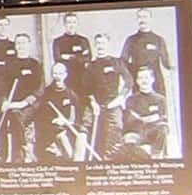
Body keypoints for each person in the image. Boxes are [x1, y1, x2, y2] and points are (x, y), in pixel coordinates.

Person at [0, 33, 43, 163]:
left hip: (31, 104)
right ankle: (11, 156)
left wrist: (25, 102)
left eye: (24, 43)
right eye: (18, 43)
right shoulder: (9, 64)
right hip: (12, 103)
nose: (21, 46)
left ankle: (19, 155)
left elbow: (40, 89)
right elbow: (2, 86)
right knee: (12, 115)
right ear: (15, 46)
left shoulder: (35, 64)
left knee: (17, 116)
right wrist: (4, 101)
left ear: (29, 45)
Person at [85, 32, 129, 161]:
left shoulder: (116, 62)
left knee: (116, 127)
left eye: (103, 43)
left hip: (113, 103)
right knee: (92, 131)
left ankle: (111, 160)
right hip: (96, 105)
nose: (100, 46)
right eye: (98, 43)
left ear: (108, 44)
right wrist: (93, 102)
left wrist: (120, 98)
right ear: (95, 45)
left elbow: (129, 81)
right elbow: (87, 87)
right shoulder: (91, 65)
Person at [35, 62, 85, 163]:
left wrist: (69, 122)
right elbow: (41, 116)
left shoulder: (70, 93)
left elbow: (76, 113)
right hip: (52, 128)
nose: (58, 77)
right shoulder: (46, 93)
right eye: (55, 73)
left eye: (60, 74)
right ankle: (71, 160)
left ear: (65, 75)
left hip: (68, 125)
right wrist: (54, 120)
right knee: (62, 138)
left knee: (82, 136)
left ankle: (78, 163)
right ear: (52, 75)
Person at [121, 7, 173, 94]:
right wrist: (133, 72)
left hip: (156, 81)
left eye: (145, 17)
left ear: (150, 19)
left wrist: (172, 67)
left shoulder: (158, 39)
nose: (142, 20)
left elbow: (166, 63)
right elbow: (123, 61)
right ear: (137, 20)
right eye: (139, 17)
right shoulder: (131, 40)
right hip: (139, 81)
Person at [124, 65, 169, 158]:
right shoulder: (131, 99)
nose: (144, 81)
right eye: (141, 78)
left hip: (153, 132)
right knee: (129, 142)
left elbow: (162, 118)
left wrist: (141, 118)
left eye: (146, 77)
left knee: (163, 128)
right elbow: (130, 119)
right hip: (137, 132)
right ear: (137, 81)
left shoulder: (161, 99)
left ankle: (155, 157)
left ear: (153, 79)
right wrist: (149, 118)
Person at [51, 12, 92, 93]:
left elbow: (88, 59)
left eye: (74, 22)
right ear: (64, 24)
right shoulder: (58, 41)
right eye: (69, 22)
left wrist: (68, 57)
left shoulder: (83, 40)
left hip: (81, 78)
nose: (71, 25)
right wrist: (79, 56)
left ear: (77, 24)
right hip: (66, 79)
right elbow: (58, 59)